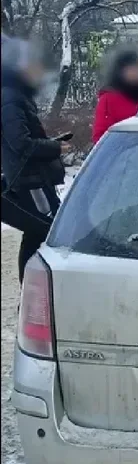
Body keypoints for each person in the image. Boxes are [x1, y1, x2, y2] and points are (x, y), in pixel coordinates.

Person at [1, 35, 69, 283]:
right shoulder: (9, 97)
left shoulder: (15, 95)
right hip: (28, 179)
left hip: (33, 176)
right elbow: (20, 143)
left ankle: (32, 289)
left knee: (36, 232)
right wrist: (55, 148)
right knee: (41, 231)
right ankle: (31, 290)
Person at [92, 47, 138, 143]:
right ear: (120, 72)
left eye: (137, 69)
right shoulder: (108, 100)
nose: (135, 73)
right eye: (131, 69)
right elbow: (100, 137)